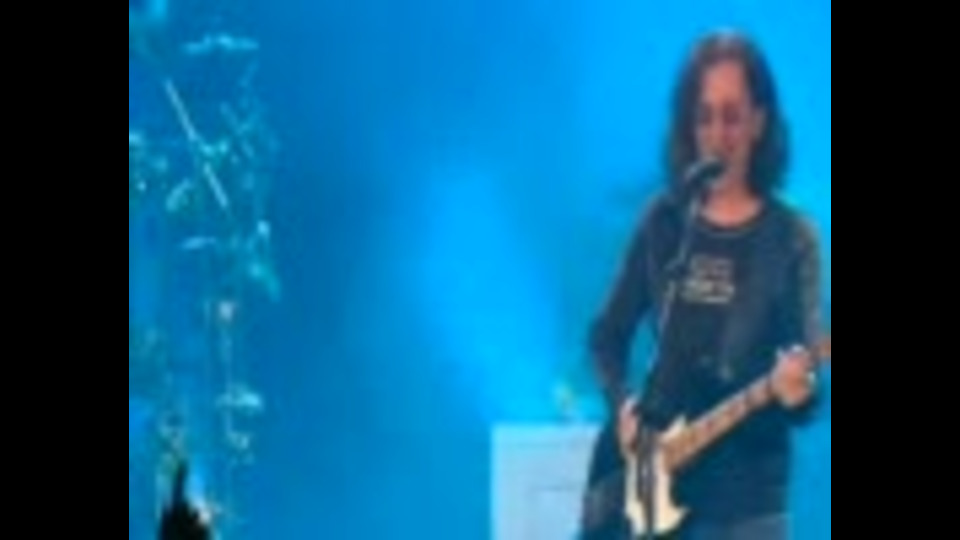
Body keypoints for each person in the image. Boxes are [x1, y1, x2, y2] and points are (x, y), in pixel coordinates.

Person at [582, 29, 825, 540]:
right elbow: (606, 336)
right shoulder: (666, 221)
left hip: (748, 504)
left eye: (732, 117)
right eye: (705, 117)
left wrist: (798, 390)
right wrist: (622, 405)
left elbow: (808, 378)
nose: (718, 135)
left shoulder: (791, 237)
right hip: (651, 497)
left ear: (759, 122)